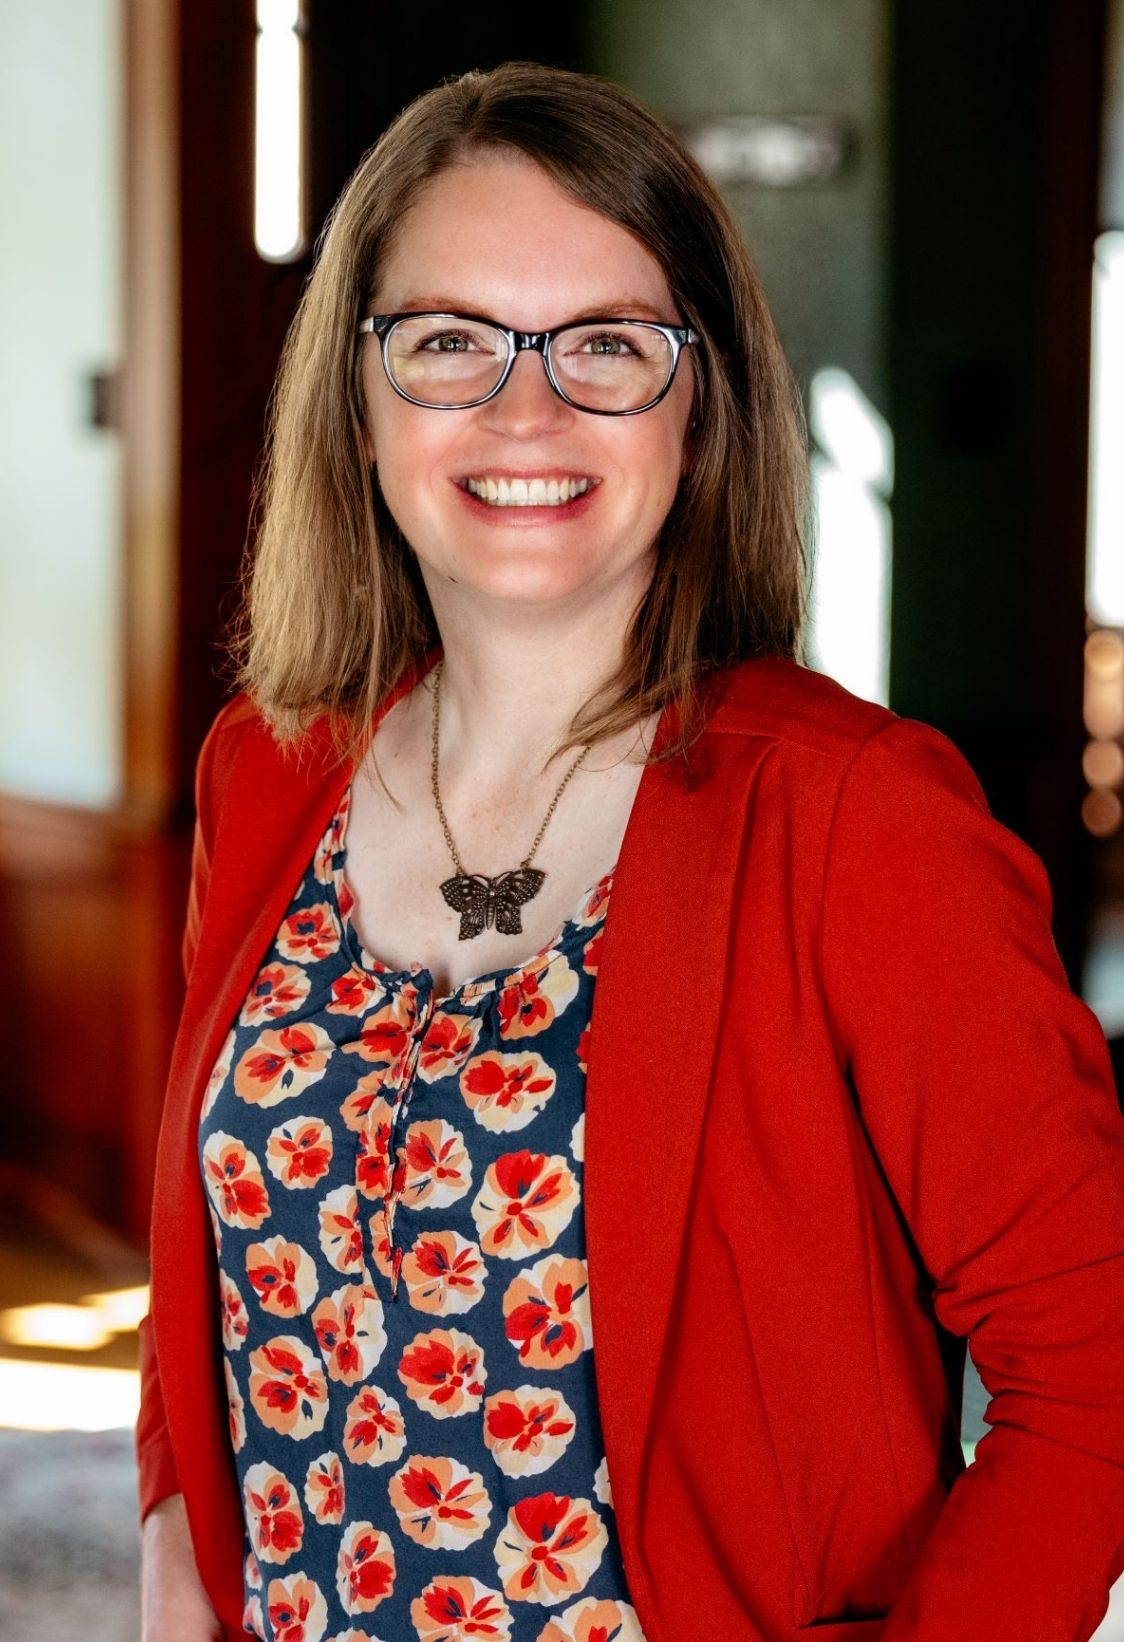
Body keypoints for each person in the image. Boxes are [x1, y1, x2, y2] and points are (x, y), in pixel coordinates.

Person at [137, 60, 1124, 1642]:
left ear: (702, 395)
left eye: (606, 344)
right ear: (358, 391)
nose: (526, 409)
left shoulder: (857, 816)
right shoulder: (267, 773)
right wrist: (179, 1546)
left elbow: (1095, 1369)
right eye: (450, 341)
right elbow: (216, 1248)